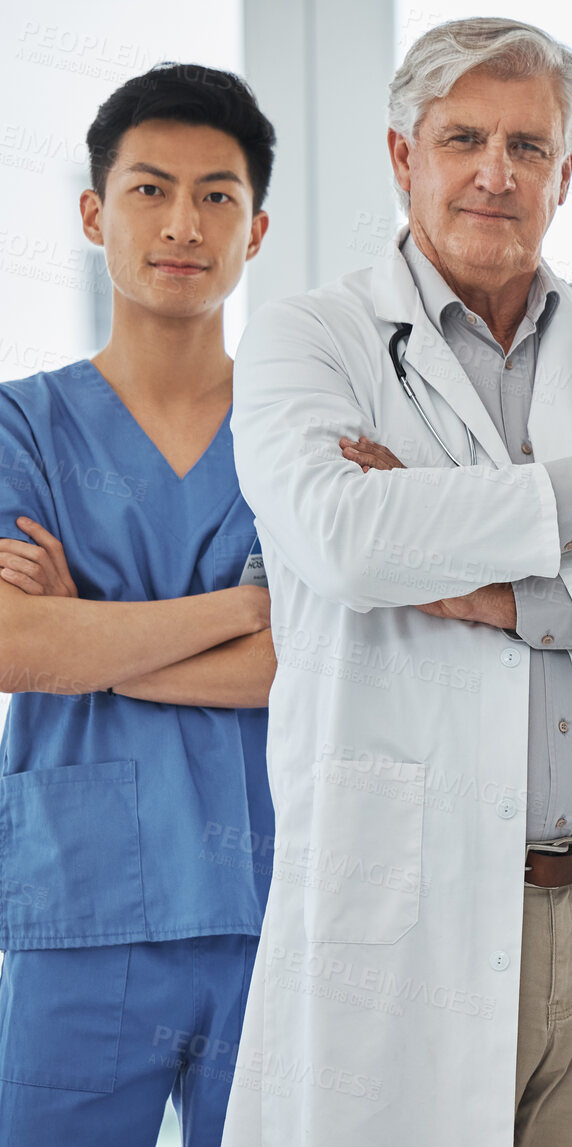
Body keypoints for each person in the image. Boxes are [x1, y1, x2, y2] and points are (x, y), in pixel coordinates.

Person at [222, 17, 572, 1147]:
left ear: (568, 171)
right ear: (405, 156)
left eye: (529, 146)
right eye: (463, 138)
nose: (496, 174)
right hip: (414, 902)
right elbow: (348, 536)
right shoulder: (309, 340)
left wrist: (509, 595)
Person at [0, 63, 277, 1147]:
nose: (183, 223)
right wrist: (233, 609)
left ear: (255, 231)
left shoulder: (294, 436)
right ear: (92, 213)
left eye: (219, 195)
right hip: (84, 912)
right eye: (149, 189)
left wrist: (90, 631)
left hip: (270, 905)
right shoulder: (23, 425)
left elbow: (293, 663)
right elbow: (16, 643)